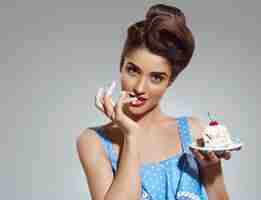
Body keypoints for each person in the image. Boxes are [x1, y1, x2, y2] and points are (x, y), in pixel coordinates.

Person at [77, 4, 231, 200]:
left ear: (170, 81)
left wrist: (213, 170)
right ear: (121, 65)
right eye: (133, 70)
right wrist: (131, 135)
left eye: (156, 77)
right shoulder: (94, 141)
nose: (140, 88)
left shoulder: (192, 133)